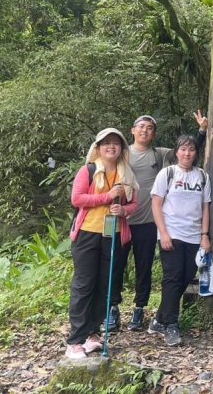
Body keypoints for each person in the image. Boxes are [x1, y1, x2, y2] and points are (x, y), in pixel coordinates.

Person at [109, 112, 208, 332]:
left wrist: (201, 131)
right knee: (117, 266)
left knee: (144, 268)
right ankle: (112, 308)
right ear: (132, 130)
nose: (145, 130)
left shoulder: (160, 156)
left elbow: (186, 151)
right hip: (122, 220)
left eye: (150, 127)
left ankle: (139, 309)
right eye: (141, 126)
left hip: (147, 221)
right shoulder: (121, 155)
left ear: (154, 134)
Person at [65, 128, 139, 359]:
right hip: (88, 234)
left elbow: (135, 202)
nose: (111, 147)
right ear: (98, 148)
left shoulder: (126, 174)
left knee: (105, 286)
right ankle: (75, 340)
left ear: (122, 148)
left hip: (114, 234)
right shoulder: (87, 171)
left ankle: (93, 334)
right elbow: (77, 199)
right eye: (106, 143)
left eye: (116, 143)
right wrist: (107, 197)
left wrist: (124, 210)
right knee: (84, 284)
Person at [150, 134, 211, 346]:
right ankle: (171, 325)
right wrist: (164, 233)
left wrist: (204, 235)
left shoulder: (202, 176)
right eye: (183, 149)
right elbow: (156, 205)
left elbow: (205, 207)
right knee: (173, 278)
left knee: (185, 278)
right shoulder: (167, 174)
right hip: (171, 234)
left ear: (196, 153)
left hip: (193, 235)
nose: (187, 153)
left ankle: (158, 319)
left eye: (191, 150)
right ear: (176, 152)